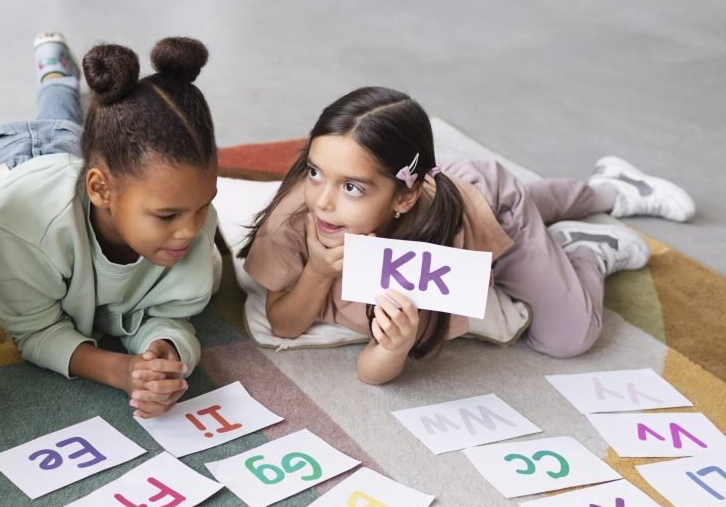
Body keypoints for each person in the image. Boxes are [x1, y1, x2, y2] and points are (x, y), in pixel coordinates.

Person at [241, 86, 695, 385]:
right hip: (454, 195)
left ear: (402, 197)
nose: (322, 201)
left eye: (352, 187)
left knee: (568, 335)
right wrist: (319, 273)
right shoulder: (296, 215)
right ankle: (596, 195)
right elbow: (284, 323)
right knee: (519, 204)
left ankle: (588, 245)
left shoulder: (436, 237)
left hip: (482, 205)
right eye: (316, 172)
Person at [0, 34, 220, 418]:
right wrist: (120, 370)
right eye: (167, 216)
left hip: (66, 148)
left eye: (204, 205)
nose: (191, 230)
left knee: (61, 122)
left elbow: (169, 313)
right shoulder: (21, 229)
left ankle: (56, 73)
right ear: (101, 190)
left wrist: (165, 347)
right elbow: (35, 332)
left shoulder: (181, 210)